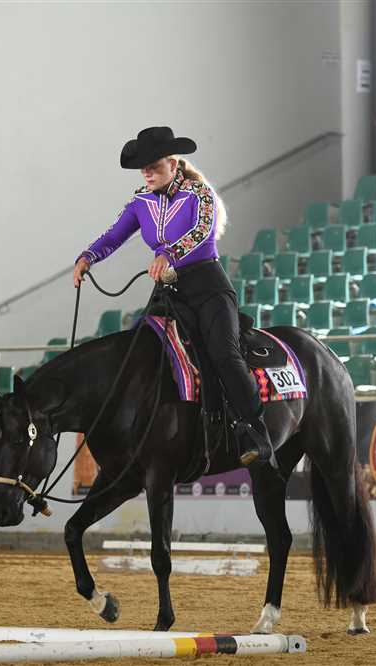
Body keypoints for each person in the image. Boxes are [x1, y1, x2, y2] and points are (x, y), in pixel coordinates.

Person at [72, 126, 277, 470]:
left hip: (208, 288)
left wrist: (168, 254)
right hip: (169, 292)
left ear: (172, 162)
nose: (147, 174)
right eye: (143, 169)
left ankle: (255, 431)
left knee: (224, 353)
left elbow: (201, 233)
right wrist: (87, 257)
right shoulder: (141, 201)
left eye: (153, 166)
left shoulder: (200, 194)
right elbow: (114, 235)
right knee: (140, 352)